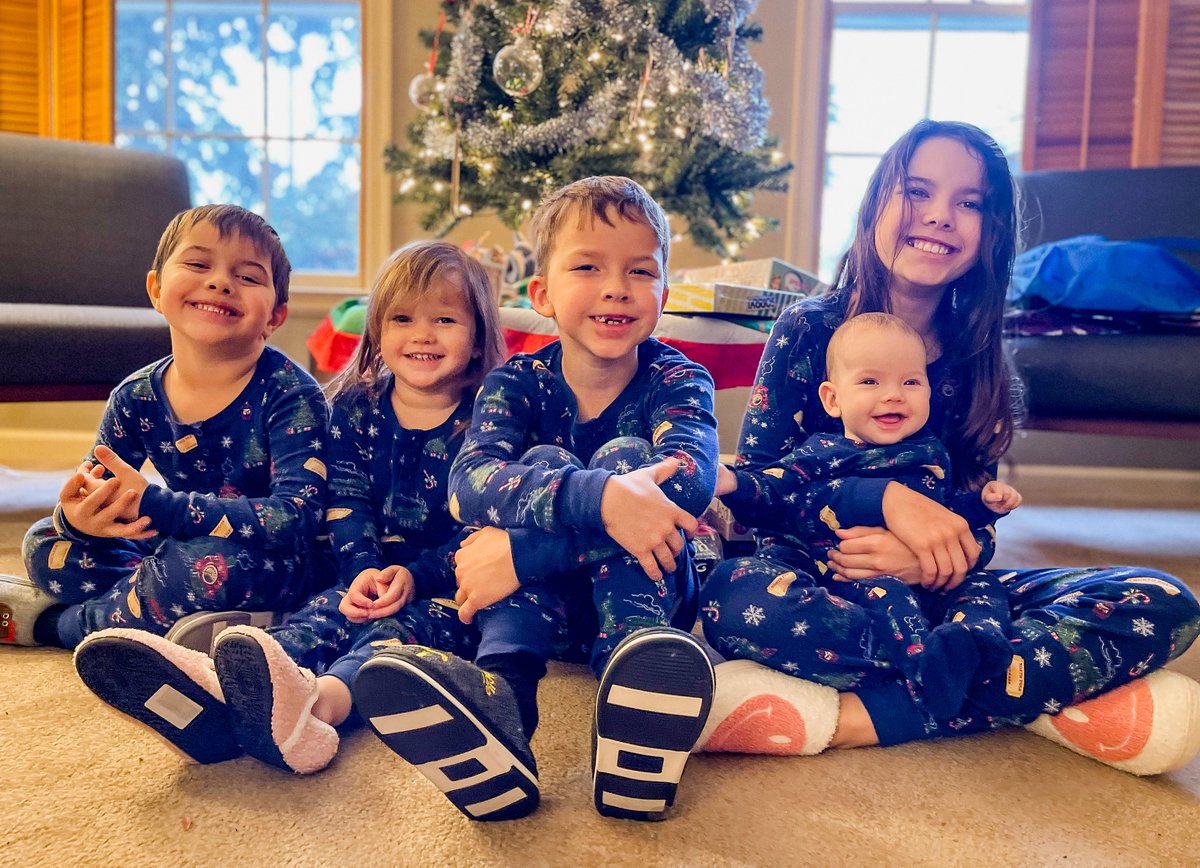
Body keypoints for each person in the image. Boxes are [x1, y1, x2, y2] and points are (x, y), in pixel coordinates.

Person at [697, 119, 1200, 776]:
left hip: (947, 601)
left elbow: (976, 530)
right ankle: (1032, 699)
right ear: (876, 202)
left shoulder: (975, 353)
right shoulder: (809, 328)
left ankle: (864, 716)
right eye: (918, 191)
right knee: (729, 597)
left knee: (1163, 598)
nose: (940, 216)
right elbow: (761, 494)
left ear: (992, 233)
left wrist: (933, 551)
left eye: (971, 204)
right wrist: (883, 500)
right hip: (823, 586)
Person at [351, 176, 721, 822]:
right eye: (588, 266)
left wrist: (522, 557)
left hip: (649, 605)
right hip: (543, 622)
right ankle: (503, 709)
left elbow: (687, 482)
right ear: (542, 294)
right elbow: (468, 487)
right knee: (550, 467)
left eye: (640, 270)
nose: (616, 287)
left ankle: (633, 705)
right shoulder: (515, 382)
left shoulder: (678, 379)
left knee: (630, 464)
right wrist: (597, 503)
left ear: (663, 290)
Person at [70, 241, 507, 780]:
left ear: (479, 333)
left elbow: (490, 525)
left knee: (395, 637)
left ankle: (320, 711)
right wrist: (361, 569)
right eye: (401, 318)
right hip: (362, 570)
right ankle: (224, 694)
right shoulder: (355, 406)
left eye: (445, 319)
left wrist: (415, 576)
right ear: (376, 329)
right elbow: (346, 501)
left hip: (453, 586)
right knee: (318, 618)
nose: (422, 334)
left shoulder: (490, 415)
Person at [2, 204, 328, 651]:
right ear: (156, 289)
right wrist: (81, 520)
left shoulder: (292, 394)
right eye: (197, 264)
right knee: (45, 543)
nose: (220, 282)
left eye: (249, 277)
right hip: (172, 544)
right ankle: (158, 604)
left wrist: (160, 507)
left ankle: (59, 625)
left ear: (274, 316)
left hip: (274, 560)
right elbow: (97, 491)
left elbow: (297, 518)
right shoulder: (135, 396)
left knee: (204, 566)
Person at [715, 311, 1022, 720]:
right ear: (833, 399)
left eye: (911, 382)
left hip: (932, 585)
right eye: (870, 381)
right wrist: (730, 483)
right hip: (842, 586)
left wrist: (983, 504)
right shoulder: (822, 451)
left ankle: (969, 646)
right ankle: (932, 674)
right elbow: (773, 489)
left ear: (930, 391)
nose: (894, 394)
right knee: (733, 587)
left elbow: (948, 515)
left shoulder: (930, 454)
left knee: (985, 590)